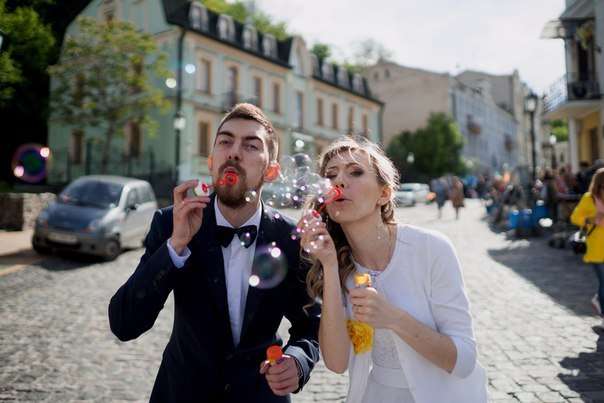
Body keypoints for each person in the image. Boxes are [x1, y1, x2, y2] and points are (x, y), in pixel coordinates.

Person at [108, 104, 320, 402]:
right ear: (211, 161)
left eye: (251, 145)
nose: (234, 151)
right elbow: (124, 324)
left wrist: (297, 360)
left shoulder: (290, 238)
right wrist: (175, 247)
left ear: (271, 170)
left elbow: (311, 323)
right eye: (225, 141)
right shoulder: (171, 223)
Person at [298, 136, 487, 403]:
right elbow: (337, 363)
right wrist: (329, 265)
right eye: (331, 175)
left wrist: (392, 318)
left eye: (355, 172)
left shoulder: (431, 249)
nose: (339, 181)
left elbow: (464, 360)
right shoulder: (338, 266)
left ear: (384, 193)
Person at [571, 167, 604, 329]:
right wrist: (591, 219)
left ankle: (598, 299)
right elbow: (575, 217)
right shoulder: (589, 199)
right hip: (596, 247)